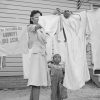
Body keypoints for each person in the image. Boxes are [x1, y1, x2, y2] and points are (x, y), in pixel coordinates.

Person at [27, 10, 48, 100]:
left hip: (42, 57)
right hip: (35, 57)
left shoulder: (42, 30)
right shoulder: (30, 27)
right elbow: (38, 26)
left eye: (40, 17)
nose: (39, 19)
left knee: (37, 81)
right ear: (32, 19)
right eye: (36, 17)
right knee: (36, 82)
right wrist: (51, 17)